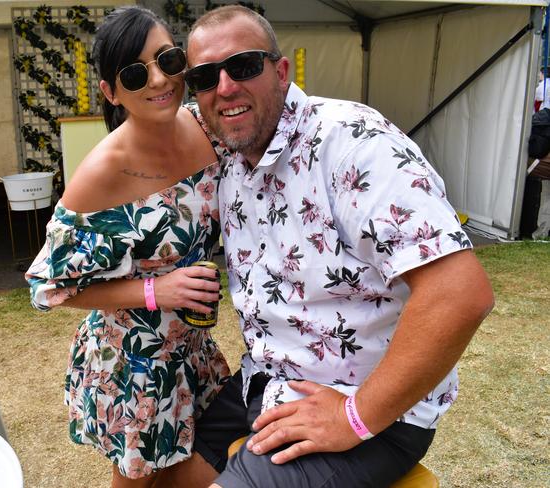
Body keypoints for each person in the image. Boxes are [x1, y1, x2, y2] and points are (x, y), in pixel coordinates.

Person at [160, 5, 495, 487]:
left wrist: (354, 418)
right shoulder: (229, 148)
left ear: (280, 71)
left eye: (245, 66)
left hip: (369, 412)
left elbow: (461, 293)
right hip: (265, 379)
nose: (226, 86)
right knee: (169, 473)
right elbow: (141, 135)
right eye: (206, 76)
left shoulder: (353, 143)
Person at [25, 6, 231, 487]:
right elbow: (50, 288)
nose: (159, 79)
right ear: (111, 91)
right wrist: (157, 291)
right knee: (137, 481)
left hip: (191, 348)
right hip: (135, 364)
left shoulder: (206, 126)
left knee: (183, 474)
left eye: (168, 59)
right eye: (136, 72)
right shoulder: (102, 172)